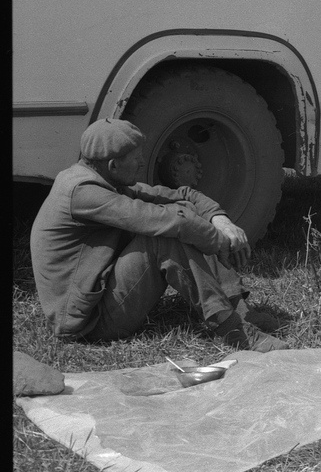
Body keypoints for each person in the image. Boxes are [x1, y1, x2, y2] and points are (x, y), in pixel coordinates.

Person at [29, 119, 288, 352]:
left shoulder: (102, 177)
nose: (143, 163)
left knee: (185, 217)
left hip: (99, 292)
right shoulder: (84, 192)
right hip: (87, 323)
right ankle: (236, 332)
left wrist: (220, 220)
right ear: (113, 164)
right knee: (164, 236)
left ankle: (240, 312)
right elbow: (168, 221)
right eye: (136, 158)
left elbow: (183, 196)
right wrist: (220, 242)